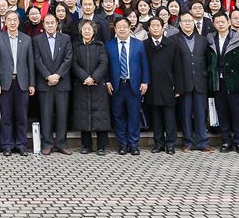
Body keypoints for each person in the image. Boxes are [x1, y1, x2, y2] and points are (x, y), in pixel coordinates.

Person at [0, 10, 35, 156]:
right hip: (5, 83)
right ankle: (7, 145)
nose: (12, 22)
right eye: (9, 20)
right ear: (5, 22)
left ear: (18, 22)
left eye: (14, 20)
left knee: (22, 116)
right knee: (6, 116)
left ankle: (21, 145)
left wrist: (32, 84)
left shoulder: (27, 39)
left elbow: (31, 64)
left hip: (22, 83)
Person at [207, 12, 239, 154]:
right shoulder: (211, 39)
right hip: (217, 81)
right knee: (222, 112)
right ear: (214, 24)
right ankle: (226, 140)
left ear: (228, 23)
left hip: (234, 82)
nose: (220, 24)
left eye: (223, 22)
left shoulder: (238, 39)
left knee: (237, 112)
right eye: (217, 22)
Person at [107, 17, 149, 156]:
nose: (122, 29)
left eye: (125, 26)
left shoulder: (138, 44)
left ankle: (134, 144)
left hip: (134, 85)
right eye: (119, 27)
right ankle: (123, 145)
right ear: (115, 28)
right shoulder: (110, 45)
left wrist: (145, 81)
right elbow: (106, 66)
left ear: (130, 27)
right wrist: (107, 82)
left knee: (134, 115)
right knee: (119, 116)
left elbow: (144, 65)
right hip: (117, 85)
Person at [33, 14, 73, 155]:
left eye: (52, 23)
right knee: (46, 114)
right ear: (43, 25)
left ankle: (62, 143)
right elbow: (37, 60)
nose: (50, 25)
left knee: (62, 115)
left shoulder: (66, 39)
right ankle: (48, 143)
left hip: (62, 83)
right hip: (45, 83)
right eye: (47, 23)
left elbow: (68, 58)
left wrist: (57, 75)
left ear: (57, 24)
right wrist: (47, 76)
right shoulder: (37, 40)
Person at [172, 13, 211, 152]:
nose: (188, 23)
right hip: (183, 82)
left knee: (201, 113)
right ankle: (188, 142)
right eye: (185, 21)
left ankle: (202, 142)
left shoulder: (203, 40)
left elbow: (208, 60)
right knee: (185, 112)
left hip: (200, 80)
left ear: (194, 23)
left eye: (190, 21)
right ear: (180, 24)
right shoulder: (174, 40)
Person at [71, 20, 110, 154]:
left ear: (94, 31)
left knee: (100, 115)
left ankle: (101, 146)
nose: (87, 31)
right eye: (84, 29)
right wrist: (85, 77)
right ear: (81, 31)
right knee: (83, 114)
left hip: (98, 85)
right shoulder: (76, 47)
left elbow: (104, 63)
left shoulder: (100, 46)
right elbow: (74, 64)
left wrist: (94, 77)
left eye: (89, 29)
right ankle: (86, 145)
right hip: (82, 85)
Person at [143, 17, 179, 154]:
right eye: (153, 25)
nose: (156, 28)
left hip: (169, 86)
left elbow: (178, 67)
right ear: (149, 28)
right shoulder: (144, 45)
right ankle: (158, 143)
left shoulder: (172, 44)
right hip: (152, 86)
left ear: (163, 27)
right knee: (156, 117)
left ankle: (170, 143)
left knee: (169, 117)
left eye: (158, 25)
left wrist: (178, 87)